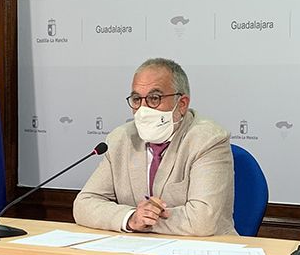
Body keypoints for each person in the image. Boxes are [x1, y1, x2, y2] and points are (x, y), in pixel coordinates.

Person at [73, 58, 236, 236]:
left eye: (154, 98)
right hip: (139, 250)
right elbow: (84, 204)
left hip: (205, 252)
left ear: (181, 104)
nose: (143, 109)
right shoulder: (121, 139)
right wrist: (131, 218)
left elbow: (202, 221)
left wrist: (144, 221)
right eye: (136, 99)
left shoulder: (208, 140)